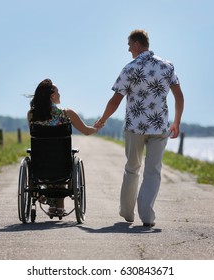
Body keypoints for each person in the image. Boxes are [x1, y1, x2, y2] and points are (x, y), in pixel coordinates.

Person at [95, 29, 184, 227]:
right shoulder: (167, 66)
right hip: (159, 127)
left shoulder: (130, 68)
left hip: (134, 127)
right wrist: (176, 122)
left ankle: (127, 212)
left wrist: (103, 120)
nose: (128, 50)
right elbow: (179, 96)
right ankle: (147, 215)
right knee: (153, 171)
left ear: (136, 44)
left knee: (132, 168)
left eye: (129, 46)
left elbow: (115, 100)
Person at [28, 78, 100, 216]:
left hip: (40, 163)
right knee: (59, 158)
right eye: (58, 92)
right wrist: (96, 128)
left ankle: (47, 199)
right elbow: (86, 131)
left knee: (45, 156)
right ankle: (59, 205)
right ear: (52, 96)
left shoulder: (31, 114)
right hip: (61, 163)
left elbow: (34, 137)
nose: (60, 94)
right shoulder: (67, 114)